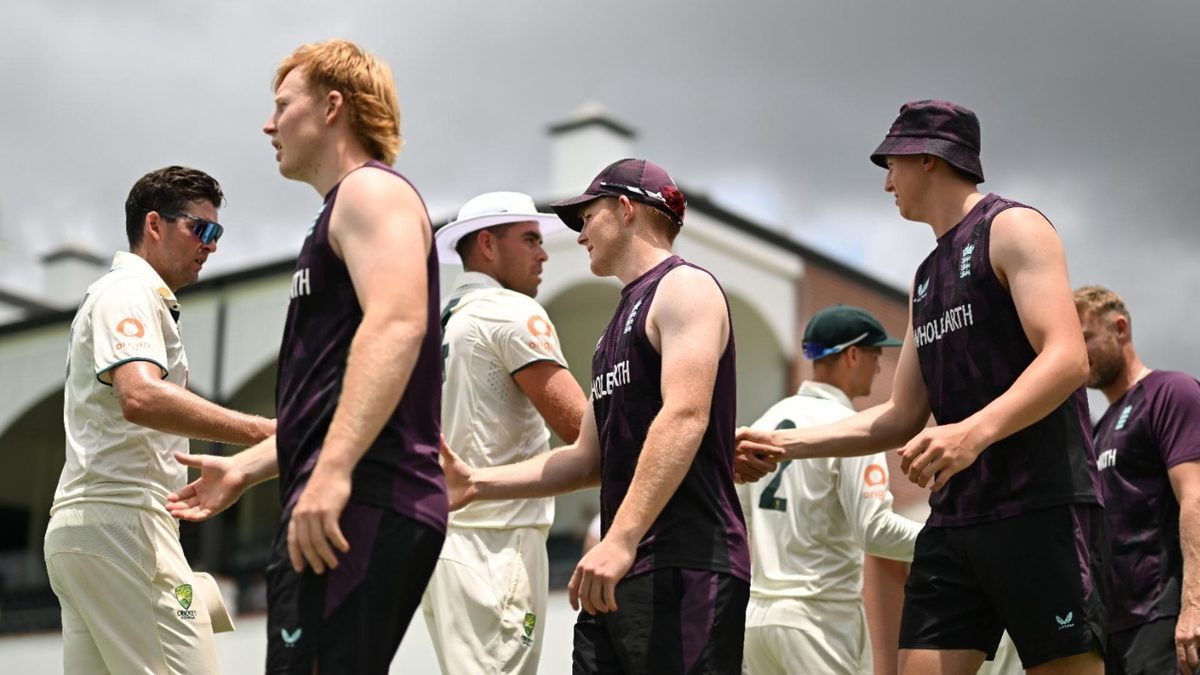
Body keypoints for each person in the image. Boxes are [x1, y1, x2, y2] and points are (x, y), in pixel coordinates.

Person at [737, 100, 1105, 674]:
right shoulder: (925, 278)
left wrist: (971, 434)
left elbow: (1066, 358)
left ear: (929, 157)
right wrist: (779, 446)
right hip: (955, 519)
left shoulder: (1014, 229)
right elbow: (897, 417)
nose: (887, 182)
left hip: (1039, 507)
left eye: (892, 164)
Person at [166, 39, 447, 674]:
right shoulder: (338, 212)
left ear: (332, 107)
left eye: (283, 105)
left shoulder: (372, 194)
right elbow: (331, 398)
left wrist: (334, 471)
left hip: (363, 495)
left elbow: (398, 324)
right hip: (341, 490)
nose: (269, 124)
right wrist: (248, 469)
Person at [441, 158, 750, 674]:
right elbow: (587, 459)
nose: (579, 234)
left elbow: (685, 414)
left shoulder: (686, 288)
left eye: (587, 216)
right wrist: (475, 483)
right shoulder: (611, 332)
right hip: (617, 572)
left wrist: (620, 539)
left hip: (685, 564)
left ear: (626, 209)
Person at [43, 165, 274, 674]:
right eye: (201, 228)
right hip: (124, 526)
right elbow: (141, 397)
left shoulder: (135, 296)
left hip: (91, 531)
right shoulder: (128, 291)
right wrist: (268, 433)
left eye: (218, 233)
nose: (211, 245)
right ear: (154, 225)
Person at [421, 191, 588, 675]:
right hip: (497, 546)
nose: (544, 254)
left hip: (449, 545)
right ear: (488, 246)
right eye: (531, 239)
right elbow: (584, 431)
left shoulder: (443, 319)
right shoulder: (509, 311)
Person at [739, 305, 921, 675]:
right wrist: (951, 539)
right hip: (819, 621)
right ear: (853, 355)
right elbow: (875, 531)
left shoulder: (763, 424)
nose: (880, 366)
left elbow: (741, 528)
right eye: (875, 355)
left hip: (756, 622)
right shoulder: (853, 430)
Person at [1075, 285, 1200, 674]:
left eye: (1086, 338)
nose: (1080, 353)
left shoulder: (1171, 393)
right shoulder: (1098, 429)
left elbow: (1195, 498)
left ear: (1120, 327)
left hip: (1163, 616)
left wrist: (1193, 605)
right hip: (1114, 629)